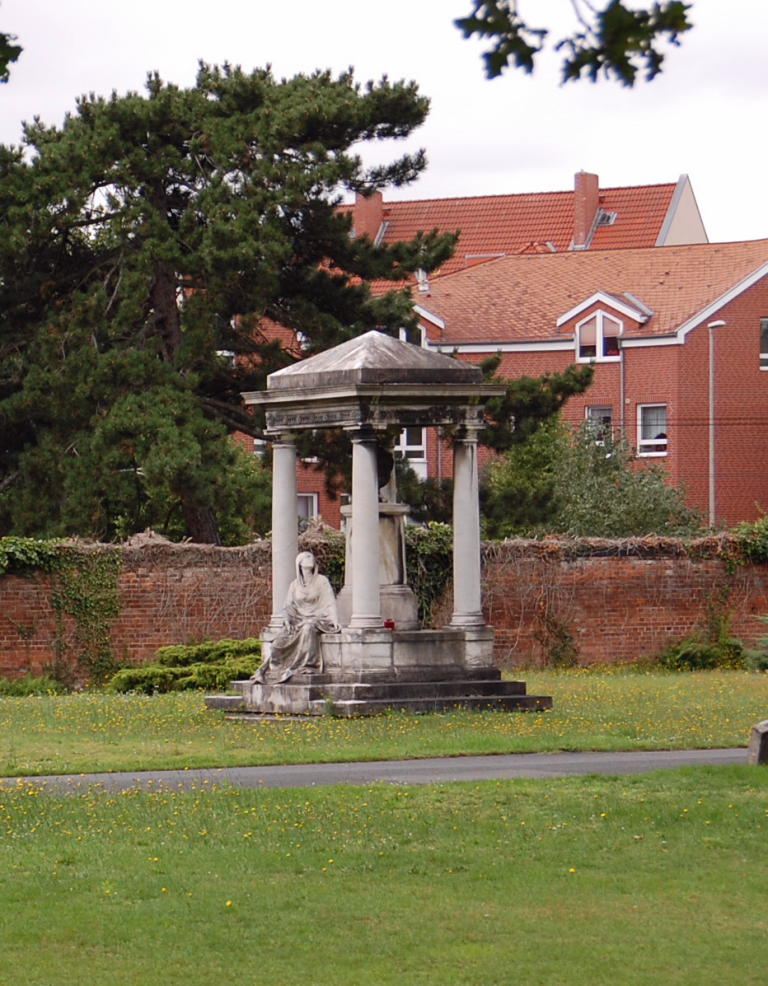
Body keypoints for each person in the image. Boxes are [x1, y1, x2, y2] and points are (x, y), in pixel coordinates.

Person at [252, 551, 340, 684]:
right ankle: (275, 668)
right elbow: (288, 606)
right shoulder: (294, 585)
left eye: (311, 557)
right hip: (297, 619)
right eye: (307, 557)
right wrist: (286, 620)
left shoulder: (322, 581)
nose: (311, 558)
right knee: (279, 639)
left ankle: (307, 664)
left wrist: (334, 619)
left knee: (308, 628)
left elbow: (329, 602)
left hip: (318, 618)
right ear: (300, 564)